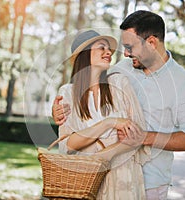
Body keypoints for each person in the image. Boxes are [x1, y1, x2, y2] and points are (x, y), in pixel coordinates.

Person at [52, 11, 185, 200]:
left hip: (151, 183)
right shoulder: (120, 71)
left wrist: (143, 138)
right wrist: (58, 111)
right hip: (98, 182)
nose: (124, 53)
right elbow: (85, 90)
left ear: (151, 42)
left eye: (129, 47)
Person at [56, 30, 149, 199]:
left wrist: (105, 155)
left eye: (109, 49)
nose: (108, 52)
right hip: (86, 183)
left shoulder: (120, 83)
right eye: (101, 48)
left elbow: (138, 135)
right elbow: (68, 145)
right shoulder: (67, 93)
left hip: (123, 178)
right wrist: (109, 123)